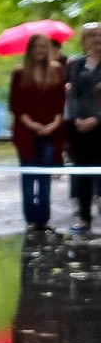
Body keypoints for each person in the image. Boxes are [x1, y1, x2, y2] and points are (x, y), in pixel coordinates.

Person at [9, 34, 65, 233]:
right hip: (26, 132)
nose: (40, 50)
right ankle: (30, 219)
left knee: (44, 177)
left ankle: (44, 219)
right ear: (30, 50)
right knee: (28, 175)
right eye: (36, 47)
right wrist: (32, 124)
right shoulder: (19, 73)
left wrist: (53, 124)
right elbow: (15, 105)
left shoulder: (57, 71)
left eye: (44, 46)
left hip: (51, 131)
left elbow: (61, 103)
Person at [65, 22, 101, 233]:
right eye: (93, 36)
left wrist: (96, 118)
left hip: (100, 126)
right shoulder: (76, 64)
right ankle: (84, 217)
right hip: (79, 128)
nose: (97, 40)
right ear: (85, 39)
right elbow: (72, 94)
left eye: (100, 36)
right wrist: (76, 118)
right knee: (81, 173)